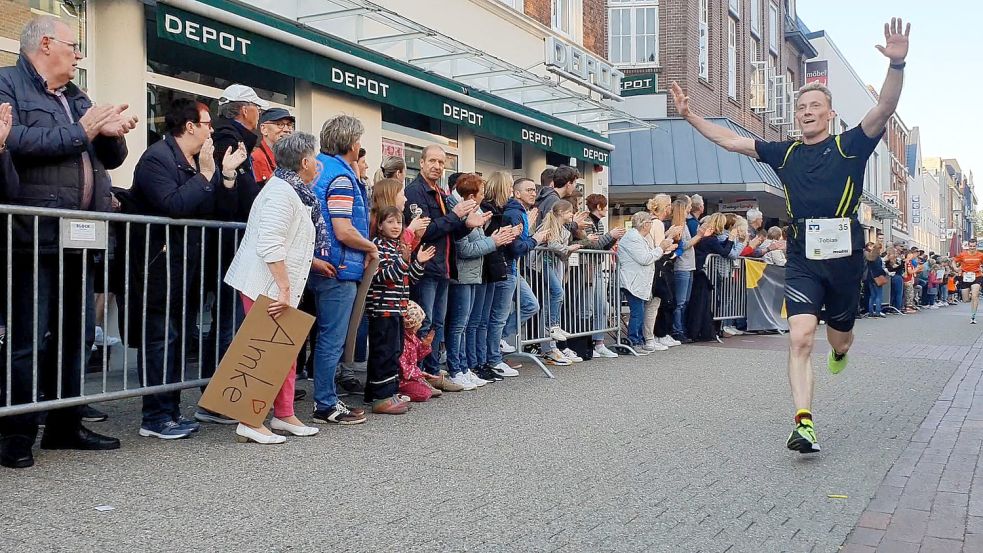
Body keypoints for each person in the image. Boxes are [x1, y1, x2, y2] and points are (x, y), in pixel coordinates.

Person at [670, 16, 910, 454]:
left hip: (844, 257)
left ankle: (840, 351)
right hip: (801, 256)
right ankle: (804, 423)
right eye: (801, 108)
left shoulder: (849, 145)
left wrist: (896, 66)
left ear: (829, 113)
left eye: (814, 106)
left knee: (839, 337)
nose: (806, 112)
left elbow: (885, 109)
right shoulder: (786, 152)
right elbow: (729, 141)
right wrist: (689, 116)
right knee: (800, 337)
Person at [0, 16, 137, 468]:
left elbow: (108, 156)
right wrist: (84, 130)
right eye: (73, 45)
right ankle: (16, 433)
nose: (79, 55)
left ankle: (64, 424)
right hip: (32, 237)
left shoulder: (77, 97)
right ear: (45, 44)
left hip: (82, 238)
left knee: (76, 336)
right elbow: (16, 140)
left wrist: (113, 133)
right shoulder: (8, 85)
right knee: (27, 337)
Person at [128, 99, 245, 440]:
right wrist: (207, 175)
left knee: (178, 338)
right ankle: (155, 416)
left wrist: (224, 176)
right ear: (190, 126)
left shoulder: (194, 162)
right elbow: (175, 205)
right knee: (161, 338)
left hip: (186, 266)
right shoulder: (157, 159)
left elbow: (215, 211)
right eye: (208, 124)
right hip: (158, 266)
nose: (212, 130)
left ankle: (171, 411)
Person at [223, 131, 327, 443]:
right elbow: (270, 243)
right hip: (267, 284)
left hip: (279, 284)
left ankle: (283, 414)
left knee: (283, 351)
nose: (318, 164)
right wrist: (283, 288)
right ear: (305, 161)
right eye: (316, 158)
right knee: (263, 351)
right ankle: (249, 420)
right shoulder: (281, 193)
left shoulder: (290, 190)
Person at [310, 115, 375, 425]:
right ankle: (326, 403)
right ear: (351, 144)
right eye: (359, 140)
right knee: (331, 338)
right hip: (339, 265)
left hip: (316, 262)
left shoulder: (318, 169)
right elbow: (343, 228)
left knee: (316, 336)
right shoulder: (341, 177)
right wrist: (370, 247)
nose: (360, 145)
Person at [403, 146, 483, 375]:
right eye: (433, 161)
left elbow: (447, 231)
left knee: (438, 323)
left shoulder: (439, 192)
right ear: (421, 162)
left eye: (441, 162)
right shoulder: (415, 191)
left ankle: (432, 371)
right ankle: (415, 372)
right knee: (422, 323)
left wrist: (466, 225)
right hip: (425, 267)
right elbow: (424, 231)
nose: (437, 166)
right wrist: (455, 216)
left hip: (443, 267)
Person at [445, 174, 513, 388]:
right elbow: (464, 248)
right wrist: (493, 241)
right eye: (482, 193)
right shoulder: (459, 208)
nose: (485, 197)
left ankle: (465, 367)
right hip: (463, 275)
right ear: (472, 195)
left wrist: (493, 237)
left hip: (474, 274)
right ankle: (457, 368)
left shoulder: (474, 210)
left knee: (467, 324)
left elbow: (477, 241)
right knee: (459, 325)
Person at [365, 205, 433, 413]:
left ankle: (387, 391)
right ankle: (380, 396)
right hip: (382, 308)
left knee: (394, 350)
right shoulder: (377, 246)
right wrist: (403, 261)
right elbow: (382, 277)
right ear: (380, 225)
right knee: (383, 351)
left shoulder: (398, 246)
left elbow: (408, 279)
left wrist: (418, 263)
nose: (396, 226)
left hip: (397, 308)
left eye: (399, 222)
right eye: (390, 222)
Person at [482, 172, 524, 376]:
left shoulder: (499, 210)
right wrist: (513, 235)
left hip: (497, 267)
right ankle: (492, 358)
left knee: (491, 318)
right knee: (495, 318)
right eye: (508, 187)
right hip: (497, 268)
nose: (510, 192)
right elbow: (496, 241)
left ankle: (490, 358)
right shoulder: (493, 211)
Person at [501, 177, 547, 353]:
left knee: (531, 305)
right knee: (502, 313)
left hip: (513, 269)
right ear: (516, 193)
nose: (533, 193)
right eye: (529, 190)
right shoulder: (514, 213)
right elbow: (517, 247)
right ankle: (498, 344)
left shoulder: (521, 213)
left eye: (534, 190)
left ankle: (501, 339)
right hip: (508, 269)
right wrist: (536, 239)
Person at [619, 212, 672, 351]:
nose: (651, 225)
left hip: (638, 281)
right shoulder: (633, 238)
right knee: (638, 312)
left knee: (639, 311)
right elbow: (645, 259)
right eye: (650, 222)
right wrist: (661, 248)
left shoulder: (639, 238)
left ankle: (638, 339)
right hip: (632, 281)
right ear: (645, 224)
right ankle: (634, 340)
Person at [540, 200, 582, 365]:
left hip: (553, 266)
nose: (572, 215)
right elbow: (552, 245)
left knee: (555, 296)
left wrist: (568, 250)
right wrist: (568, 249)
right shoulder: (549, 225)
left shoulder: (564, 230)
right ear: (563, 213)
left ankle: (552, 334)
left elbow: (561, 252)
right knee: (558, 293)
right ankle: (552, 326)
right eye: (570, 212)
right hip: (543, 264)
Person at [584, 194, 626, 357]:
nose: (607, 209)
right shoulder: (588, 222)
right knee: (589, 307)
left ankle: (599, 342)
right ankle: (591, 342)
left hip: (597, 266)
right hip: (588, 268)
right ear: (599, 207)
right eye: (605, 205)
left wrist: (612, 239)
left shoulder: (599, 223)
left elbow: (601, 246)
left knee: (601, 306)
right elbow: (593, 245)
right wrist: (610, 236)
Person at [251, 107, 295, 187]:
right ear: (264, 129)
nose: (286, 129)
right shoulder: (256, 159)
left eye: (289, 125)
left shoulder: (291, 159)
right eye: (279, 124)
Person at [954, 238, 983, 323]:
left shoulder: (980, 255)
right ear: (968, 246)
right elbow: (953, 261)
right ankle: (970, 295)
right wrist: (956, 268)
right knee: (965, 300)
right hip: (965, 277)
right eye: (971, 246)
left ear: (976, 246)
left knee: (975, 296)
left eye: (974, 246)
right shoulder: (963, 254)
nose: (972, 248)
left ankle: (973, 316)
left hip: (976, 276)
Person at [865, 242, 887, 318]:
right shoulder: (877, 258)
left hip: (870, 277)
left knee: (872, 295)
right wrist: (884, 273)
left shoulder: (870, 256)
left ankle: (871, 312)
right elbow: (879, 269)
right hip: (877, 277)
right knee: (879, 295)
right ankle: (878, 311)